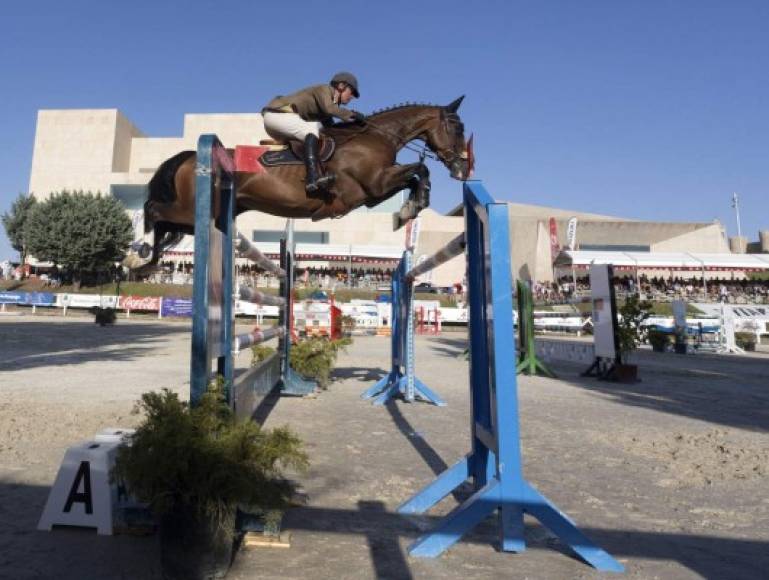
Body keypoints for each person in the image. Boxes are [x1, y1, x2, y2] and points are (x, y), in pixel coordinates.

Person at [262, 72, 365, 196]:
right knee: (312, 128)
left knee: (319, 134)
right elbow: (330, 109)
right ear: (341, 86)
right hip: (276, 116)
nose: (352, 96)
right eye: (352, 91)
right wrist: (352, 115)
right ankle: (312, 178)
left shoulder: (330, 105)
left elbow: (330, 128)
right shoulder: (324, 90)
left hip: (280, 121)